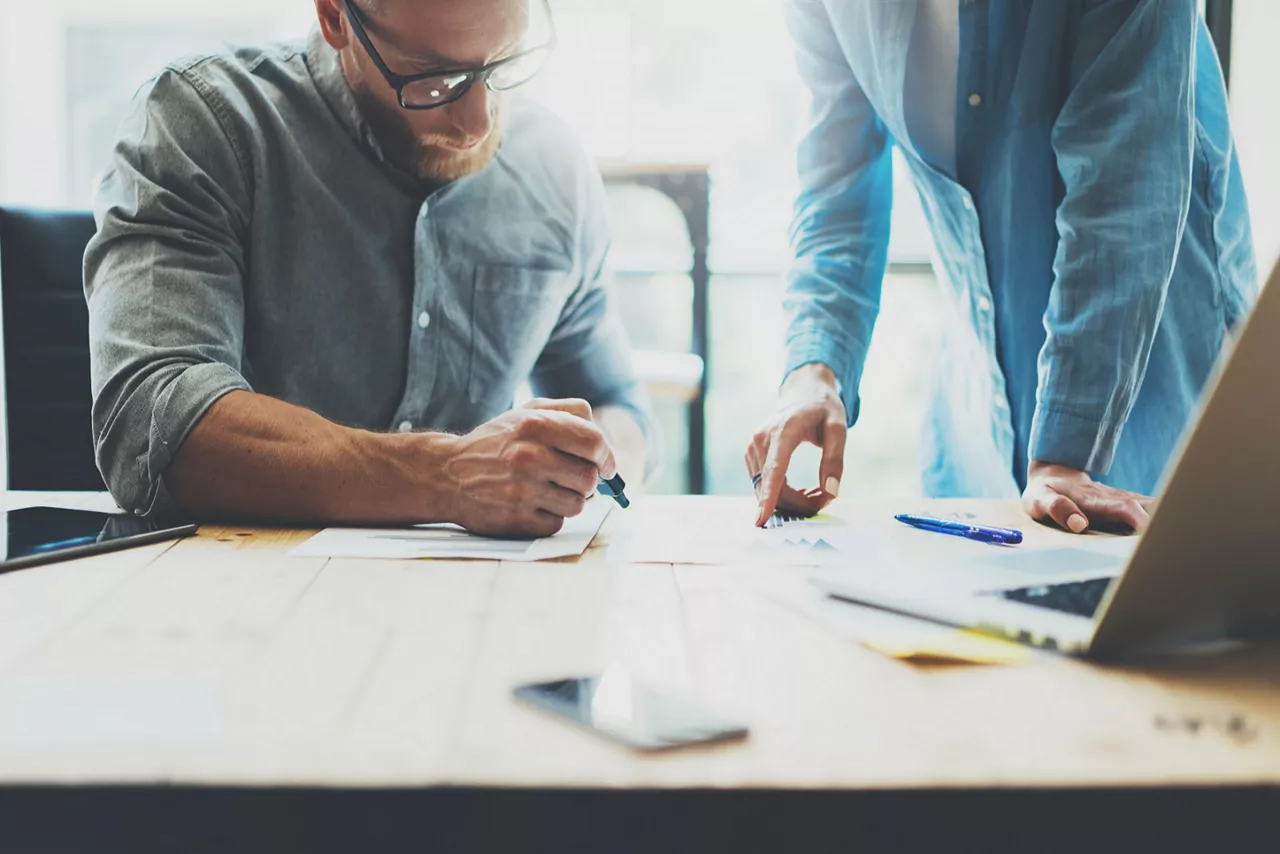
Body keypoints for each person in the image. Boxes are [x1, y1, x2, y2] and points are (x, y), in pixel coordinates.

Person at [85, 0, 657, 537]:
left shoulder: (553, 168)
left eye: (502, 64)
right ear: (335, 16)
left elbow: (615, 403)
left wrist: (587, 460)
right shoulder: (207, 122)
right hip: (244, 600)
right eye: (433, 77)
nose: (478, 121)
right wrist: (448, 475)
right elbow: (153, 422)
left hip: (478, 608)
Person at [749, 0, 1256, 533]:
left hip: (1146, 372)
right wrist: (813, 373)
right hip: (978, 399)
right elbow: (836, 196)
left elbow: (1122, 197)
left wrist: (1066, 452)